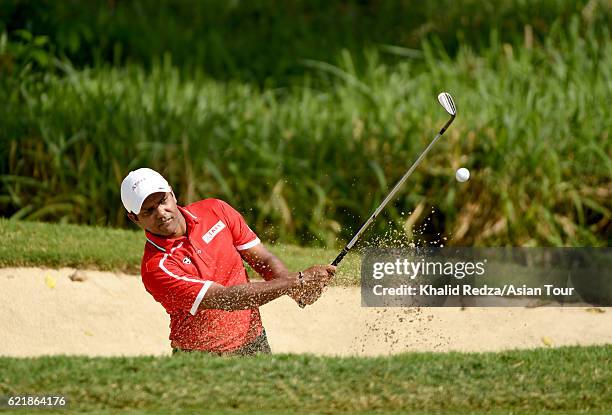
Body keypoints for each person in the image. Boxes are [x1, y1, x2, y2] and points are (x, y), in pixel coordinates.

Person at [120, 167, 335, 356]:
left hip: (255, 343)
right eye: (148, 210)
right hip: (201, 358)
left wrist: (296, 289)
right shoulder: (157, 268)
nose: (161, 212)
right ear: (134, 218)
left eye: (162, 201)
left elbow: (262, 259)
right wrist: (296, 281)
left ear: (172, 194)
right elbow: (226, 299)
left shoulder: (215, 210)